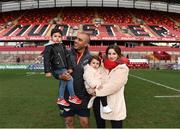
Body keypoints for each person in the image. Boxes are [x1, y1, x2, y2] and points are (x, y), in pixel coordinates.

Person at [87, 45, 129, 128]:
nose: (111, 56)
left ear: (118, 55)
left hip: (114, 102)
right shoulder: (101, 66)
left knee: (116, 126)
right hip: (99, 101)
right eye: (109, 53)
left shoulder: (122, 69)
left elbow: (114, 86)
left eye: (114, 53)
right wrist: (89, 89)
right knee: (100, 126)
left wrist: (96, 91)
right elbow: (92, 76)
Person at [57, 31, 92, 128]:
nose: (75, 41)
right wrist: (59, 76)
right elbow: (55, 70)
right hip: (67, 95)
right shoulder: (66, 53)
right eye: (76, 38)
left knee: (85, 123)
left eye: (79, 40)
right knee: (69, 121)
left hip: (83, 97)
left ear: (86, 44)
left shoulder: (90, 58)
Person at [43, 28, 82, 106]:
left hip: (64, 68)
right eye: (55, 36)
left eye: (59, 36)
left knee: (63, 82)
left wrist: (70, 67)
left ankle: (61, 98)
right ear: (51, 37)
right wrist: (47, 71)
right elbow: (46, 59)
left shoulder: (62, 46)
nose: (57, 38)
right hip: (57, 68)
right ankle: (72, 96)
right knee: (70, 79)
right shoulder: (49, 47)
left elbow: (67, 57)